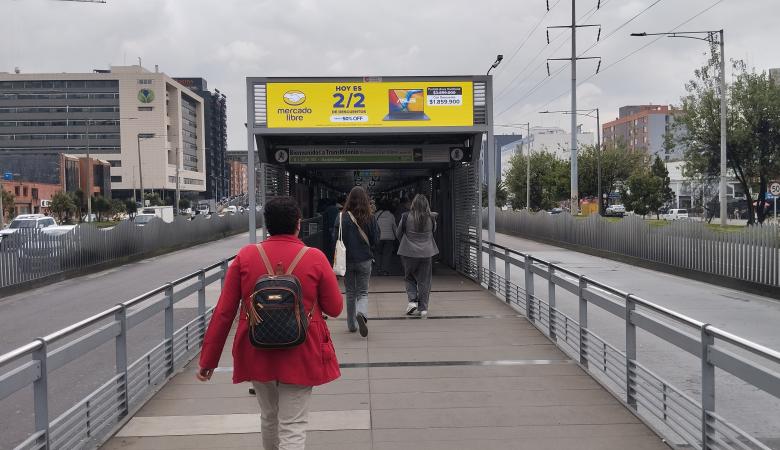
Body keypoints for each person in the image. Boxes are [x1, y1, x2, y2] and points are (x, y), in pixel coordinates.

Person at [197, 196, 343, 450]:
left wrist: (208, 360)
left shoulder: (245, 256)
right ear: (298, 224)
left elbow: (224, 312)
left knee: (268, 417)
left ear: (268, 225)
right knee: (293, 424)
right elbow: (335, 308)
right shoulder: (315, 257)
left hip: (257, 349)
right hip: (302, 350)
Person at [334, 186, 379, 337]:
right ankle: (361, 313)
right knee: (363, 291)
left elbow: (335, 238)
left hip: (346, 260)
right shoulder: (370, 217)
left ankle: (352, 325)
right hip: (364, 259)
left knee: (350, 292)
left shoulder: (341, 217)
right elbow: (375, 239)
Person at [396, 194, 439, 318]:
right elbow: (433, 231)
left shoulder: (405, 216)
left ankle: (412, 301)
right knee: (424, 281)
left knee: (409, 277)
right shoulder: (431, 218)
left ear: (413, 204)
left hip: (409, 253)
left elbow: (399, 233)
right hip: (426, 253)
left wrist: (405, 243)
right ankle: (423, 308)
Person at [374, 199, 397, 276]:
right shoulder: (391, 215)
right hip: (389, 238)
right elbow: (394, 227)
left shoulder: (376, 215)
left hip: (379, 237)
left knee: (377, 253)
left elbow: (373, 227)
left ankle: (378, 269)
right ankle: (384, 270)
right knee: (387, 254)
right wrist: (397, 236)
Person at [321, 198, 339, 265]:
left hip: (326, 232)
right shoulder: (335, 209)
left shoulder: (327, 209)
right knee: (331, 249)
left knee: (327, 249)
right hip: (331, 232)